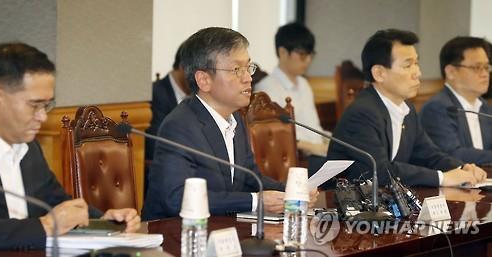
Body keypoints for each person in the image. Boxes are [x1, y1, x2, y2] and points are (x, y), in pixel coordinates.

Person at [142, 27, 318, 220]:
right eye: (236, 70)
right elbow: (176, 198)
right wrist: (254, 201)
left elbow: (251, 179)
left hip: (221, 232)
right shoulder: (180, 126)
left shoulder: (235, 119)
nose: (248, 78)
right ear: (204, 80)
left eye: (248, 68)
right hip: (172, 236)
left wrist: (294, 191)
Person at [0, 42, 141, 250]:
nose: (42, 117)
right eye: (34, 105)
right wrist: (45, 225)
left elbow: (57, 202)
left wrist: (104, 220)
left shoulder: (29, 150)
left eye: (46, 105)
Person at [327, 29, 487, 187]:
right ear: (379, 73)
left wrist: (461, 168)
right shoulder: (363, 113)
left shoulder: (406, 109)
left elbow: (429, 155)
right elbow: (379, 172)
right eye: (408, 65)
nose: (417, 73)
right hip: (348, 206)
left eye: (416, 63)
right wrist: (442, 178)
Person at [254, 22, 328, 156]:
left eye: (311, 55)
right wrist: (313, 147)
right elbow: (275, 135)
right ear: (282, 52)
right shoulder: (266, 89)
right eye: (303, 55)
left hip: (317, 151)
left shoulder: (304, 84)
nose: (308, 60)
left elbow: (314, 127)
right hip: (296, 157)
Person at [420, 36, 492, 164]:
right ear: (451, 72)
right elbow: (453, 154)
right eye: (477, 67)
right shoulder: (438, 108)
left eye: (487, 67)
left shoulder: (485, 108)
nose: (485, 74)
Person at [144, 42, 190, 196]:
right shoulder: (154, 95)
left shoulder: (199, 97)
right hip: (166, 182)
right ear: (183, 68)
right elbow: (154, 146)